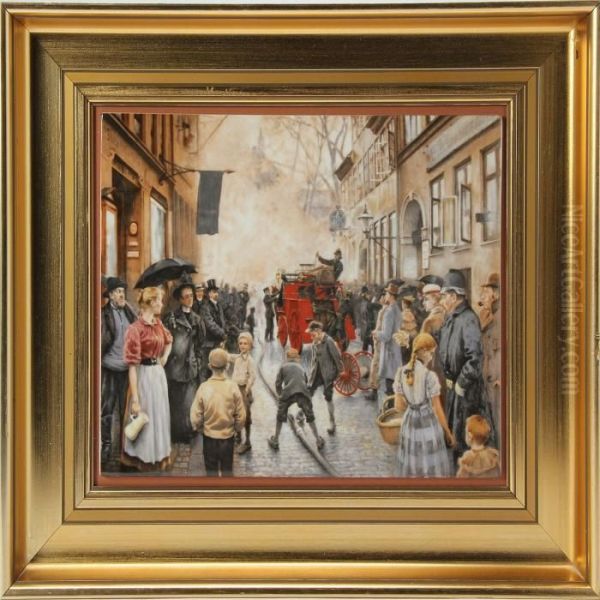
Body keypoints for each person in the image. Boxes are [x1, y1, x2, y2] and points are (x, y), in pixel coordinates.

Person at [437, 269, 491, 465]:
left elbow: (475, 358)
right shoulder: (451, 317)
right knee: (454, 438)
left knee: (464, 441)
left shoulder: (468, 319)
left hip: (467, 393)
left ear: (453, 296)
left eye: (444, 296)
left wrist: (461, 383)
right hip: (454, 390)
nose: (442, 300)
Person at [122, 286, 173, 471]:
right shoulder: (135, 329)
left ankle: (158, 455)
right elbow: (132, 367)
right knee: (144, 415)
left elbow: (169, 340)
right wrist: (135, 399)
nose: (161, 304)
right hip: (142, 376)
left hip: (158, 376)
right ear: (151, 302)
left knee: (158, 414)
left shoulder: (158, 324)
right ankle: (142, 457)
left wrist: (164, 356)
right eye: (159, 300)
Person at [393, 333, 455, 477]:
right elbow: (437, 408)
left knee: (413, 463)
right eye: (431, 353)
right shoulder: (429, 376)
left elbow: (398, 406)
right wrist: (447, 432)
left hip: (409, 424)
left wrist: (411, 403)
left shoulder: (401, 373)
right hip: (428, 424)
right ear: (424, 352)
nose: (432, 357)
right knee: (429, 463)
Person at [189, 348, 246, 477]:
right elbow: (241, 416)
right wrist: (236, 428)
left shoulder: (204, 387)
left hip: (209, 439)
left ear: (210, 366)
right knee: (227, 471)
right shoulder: (233, 387)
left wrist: (200, 428)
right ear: (227, 366)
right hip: (227, 439)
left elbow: (195, 417)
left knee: (211, 473)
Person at [163, 278, 206, 443]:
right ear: (180, 299)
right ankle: (175, 432)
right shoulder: (171, 318)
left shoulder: (197, 319)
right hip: (175, 367)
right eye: (186, 296)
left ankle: (188, 430)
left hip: (190, 367)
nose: (190, 299)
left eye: (191, 296)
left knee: (189, 400)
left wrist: (197, 361)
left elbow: (200, 344)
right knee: (175, 400)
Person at [100, 277, 137, 466]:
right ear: (111, 295)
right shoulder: (103, 314)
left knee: (125, 410)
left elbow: (138, 329)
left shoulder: (129, 311)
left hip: (126, 369)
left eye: (123, 291)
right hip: (109, 367)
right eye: (118, 292)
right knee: (107, 409)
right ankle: (106, 445)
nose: (122, 295)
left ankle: (125, 446)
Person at [269, 348, 324, 450]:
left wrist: (280, 395)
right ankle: (318, 440)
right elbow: (306, 382)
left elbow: (278, 384)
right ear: (297, 358)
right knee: (310, 416)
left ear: (287, 358)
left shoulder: (283, 367)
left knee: (280, 416)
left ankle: (276, 439)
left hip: (288, 393)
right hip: (302, 393)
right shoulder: (301, 368)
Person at [306, 320, 344, 435]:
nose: (311, 337)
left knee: (328, 397)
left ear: (318, 331)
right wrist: (311, 374)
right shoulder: (314, 343)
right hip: (317, 372)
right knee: (309, 392)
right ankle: (302, 414)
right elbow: (313, 360)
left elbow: (337, 357)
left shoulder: (329, 341)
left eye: (312, 334)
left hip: (328, 373)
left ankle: (332, 422)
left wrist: (341, 371)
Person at [478, 272, 501, 441]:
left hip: (498, 385)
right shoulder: (487, 316)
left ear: (496, 295)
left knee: (500, 427)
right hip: (488, 383)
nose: (482, 297)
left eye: (486, 293)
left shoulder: (504, 318)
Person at [373, 280, 404, 397]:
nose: (385, 295)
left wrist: (376, 333)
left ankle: (390, 407)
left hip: (389, 352)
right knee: (394, 385)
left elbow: (386, 336)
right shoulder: (397, 310)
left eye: (386, 293)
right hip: (396, 350)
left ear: (391, 296)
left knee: (389, 388)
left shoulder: (389, 312)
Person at [228, 332, 256, 455]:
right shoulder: (237, 358)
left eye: (245, 344)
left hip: (244, 390)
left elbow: (252, 376)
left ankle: (247, 442)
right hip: (235, 389)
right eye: (240, 343)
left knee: (245, 416)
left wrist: (247, 389)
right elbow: (228, 357)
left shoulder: (250, 361)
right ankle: (238, 436)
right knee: (236, 413)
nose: (243, 346)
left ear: (250, 345)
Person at [200, 279, 227, 379]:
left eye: (217, 292)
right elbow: (210, 324)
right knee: (208, 368)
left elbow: (222, 321)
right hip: (209, 343)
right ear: (209, 293)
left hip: (218, 342)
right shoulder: (205, 307)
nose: (216, 294)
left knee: (218, 368)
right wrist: (222, 333)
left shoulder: (218, 305)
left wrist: (224, 332)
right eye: (214, 292)